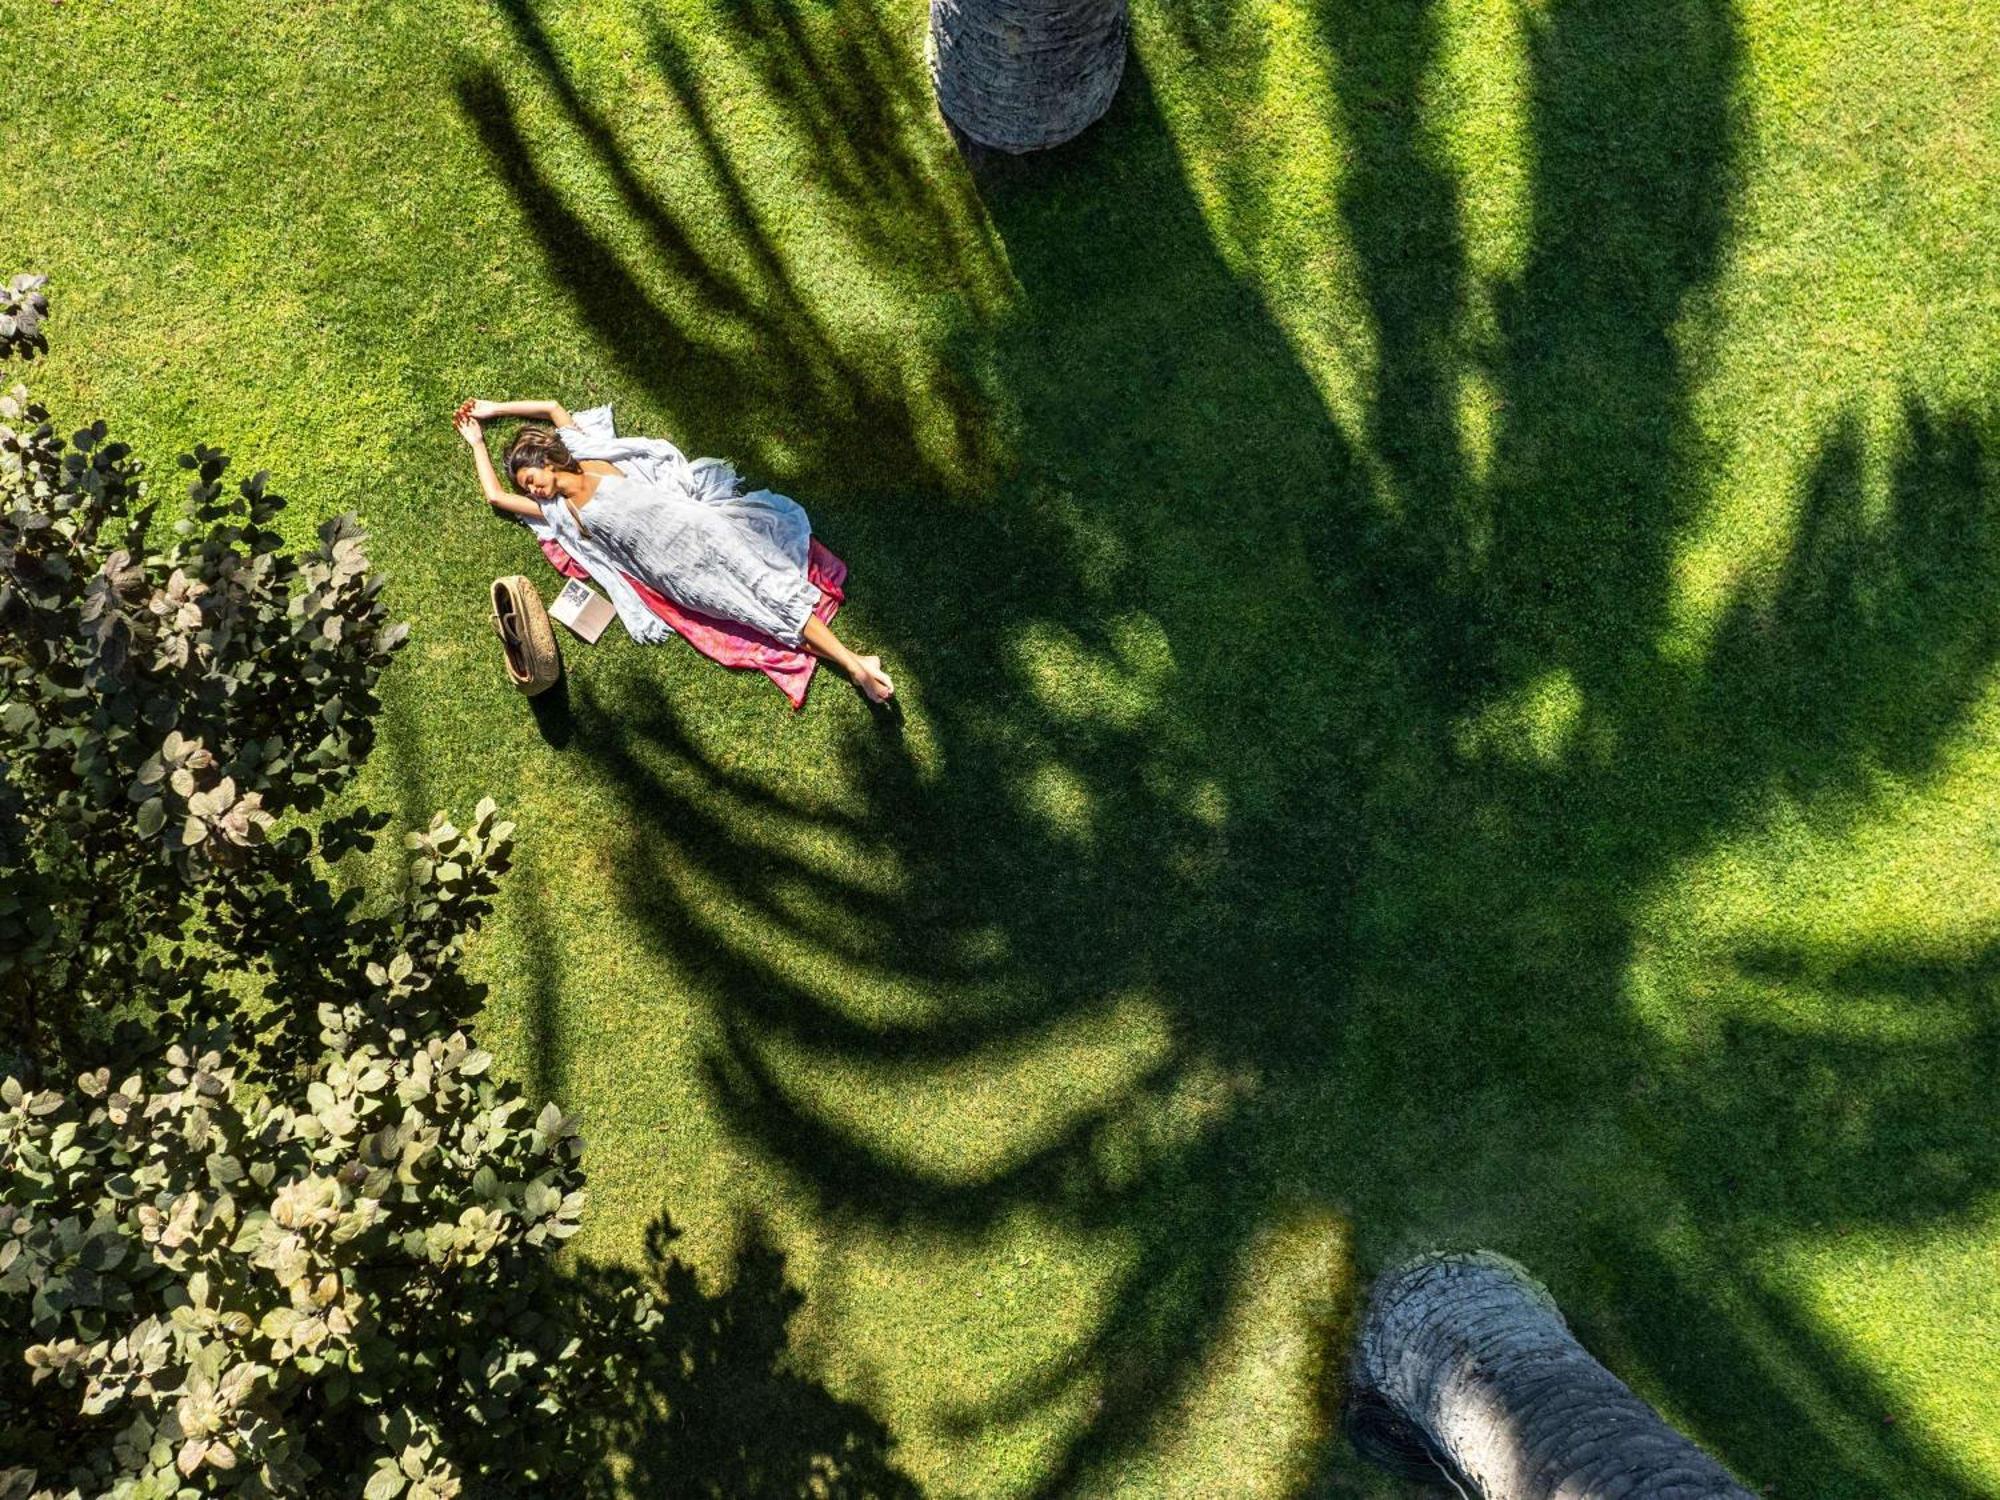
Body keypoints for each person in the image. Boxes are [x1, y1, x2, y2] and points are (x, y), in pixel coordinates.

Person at [455, 397, 894, 703]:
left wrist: (494, 410)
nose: (529, 486)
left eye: (529, 475)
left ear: (545, 459)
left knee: (771, 591)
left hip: (701, 530)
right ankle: (854, 661)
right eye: (524, 487)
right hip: (676, 574)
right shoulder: (556, 512)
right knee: (757, 617)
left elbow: (551, 407)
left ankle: (856, 668)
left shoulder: (583, 450)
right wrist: (477, 444)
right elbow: (495, 496)